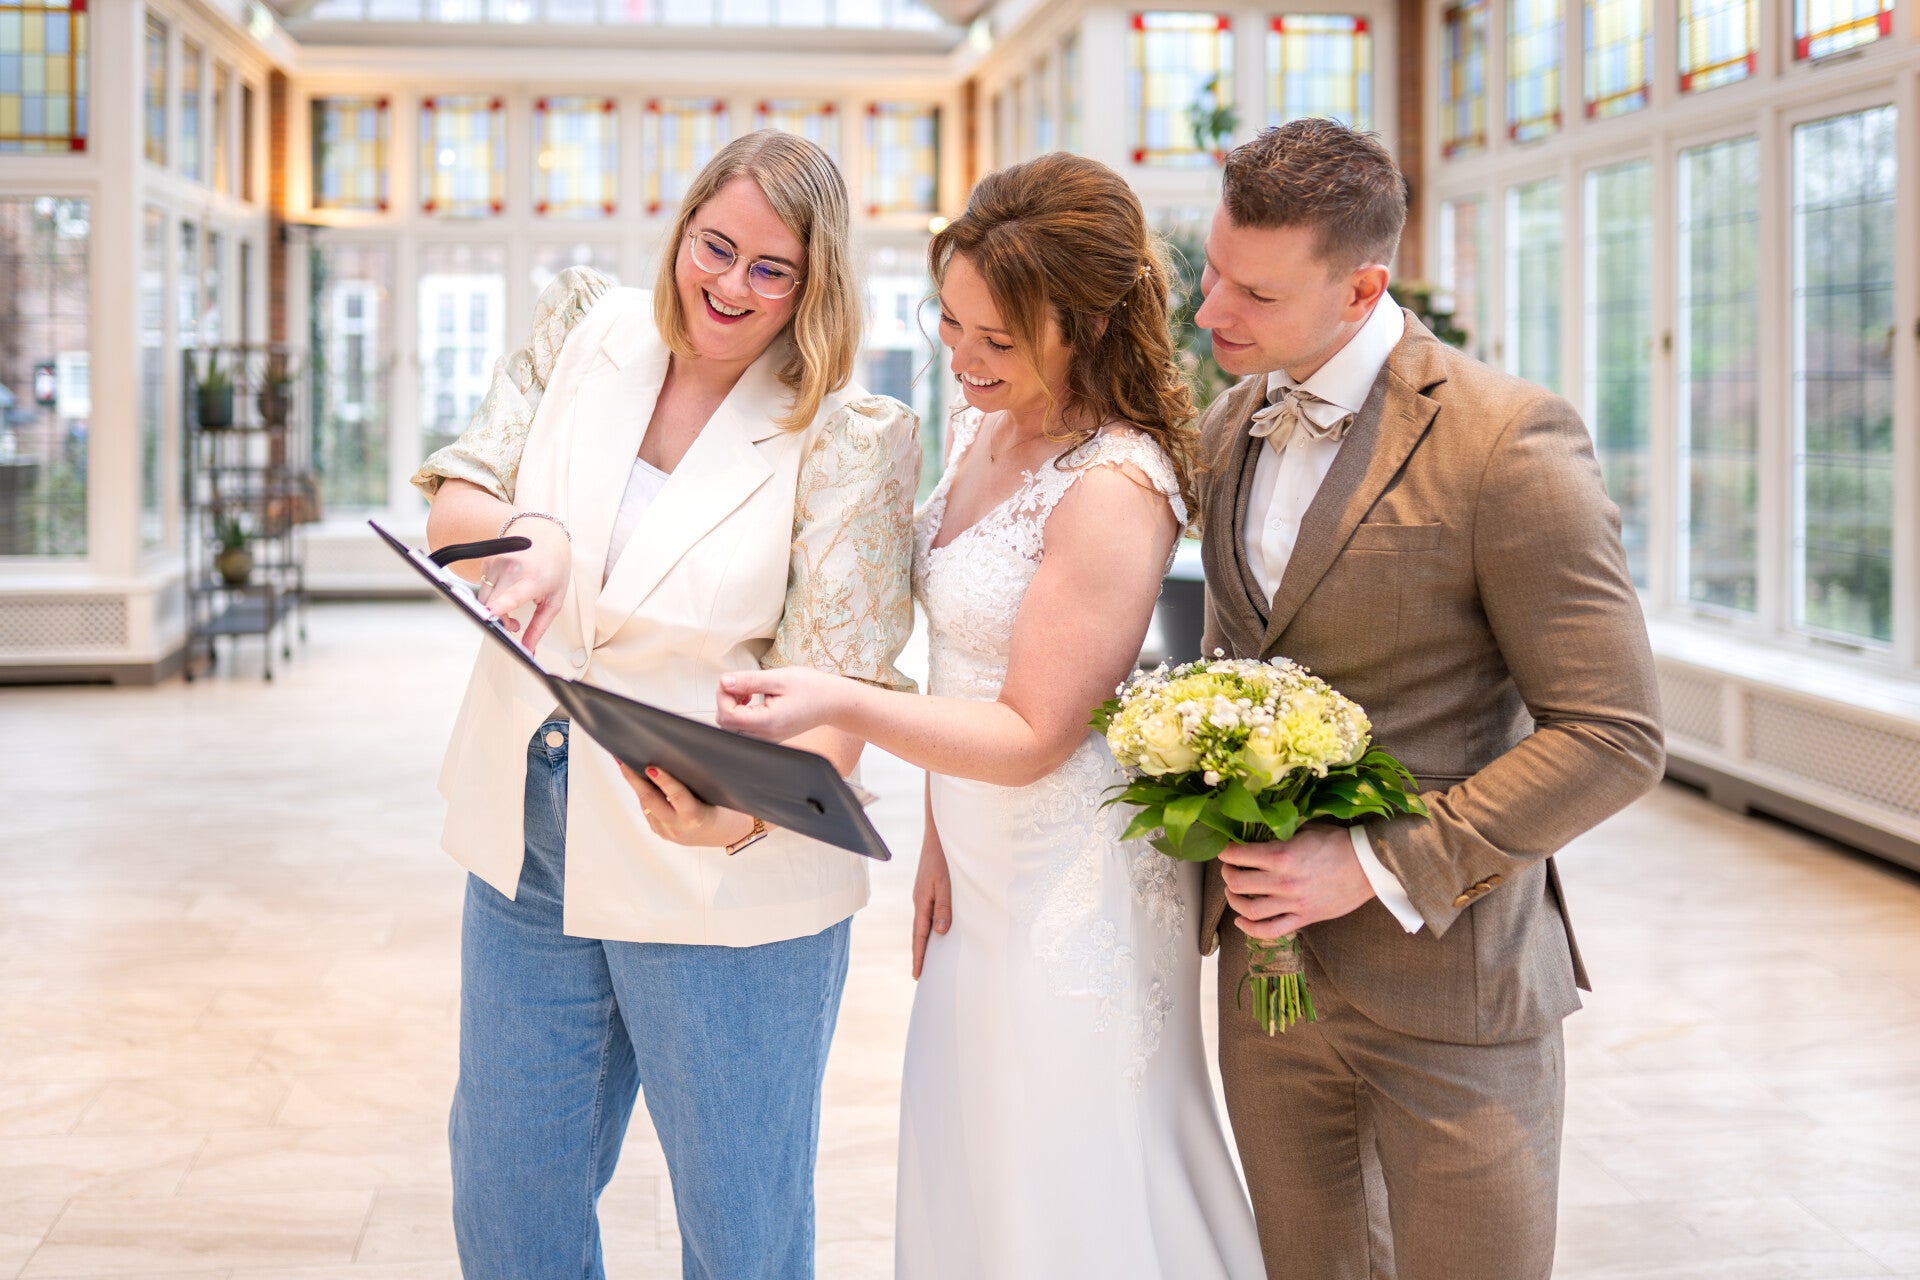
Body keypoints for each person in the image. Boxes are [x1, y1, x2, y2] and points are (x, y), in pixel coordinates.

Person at [712, 152, 1265, 1280]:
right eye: (949, 322)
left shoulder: (1116, 482)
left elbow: (1032, 730)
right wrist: (937, 826)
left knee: (1067, 1149)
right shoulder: (979, 426)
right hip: (978, 851)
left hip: (1074, 879)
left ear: (1090, 325)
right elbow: (971, 666)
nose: (962, 358)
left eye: (995, 341)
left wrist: (839, 696)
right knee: (978, 1139)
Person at [410, 130, 919, 1279]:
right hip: (530, 834)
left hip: (718, 862)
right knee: (507, 1203)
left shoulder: (848, 432)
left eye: (770, 269)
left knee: (742, 1232)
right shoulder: (583, 327)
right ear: (683, 228)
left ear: (815, 283)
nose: (729, 285)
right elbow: (459, 494)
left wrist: (739, 816)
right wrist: (527, 533)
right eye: (715, 246)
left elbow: (844, 689)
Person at [1189, 118, 1665, 1279]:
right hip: (1266, 985)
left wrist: (1373, 863)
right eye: (1210, 269)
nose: (1210, 312)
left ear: (1363, 287)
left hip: (1454, 988)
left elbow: (1616, 733)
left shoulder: (1510, 441)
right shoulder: (1228, 426)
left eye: (1252, 289)